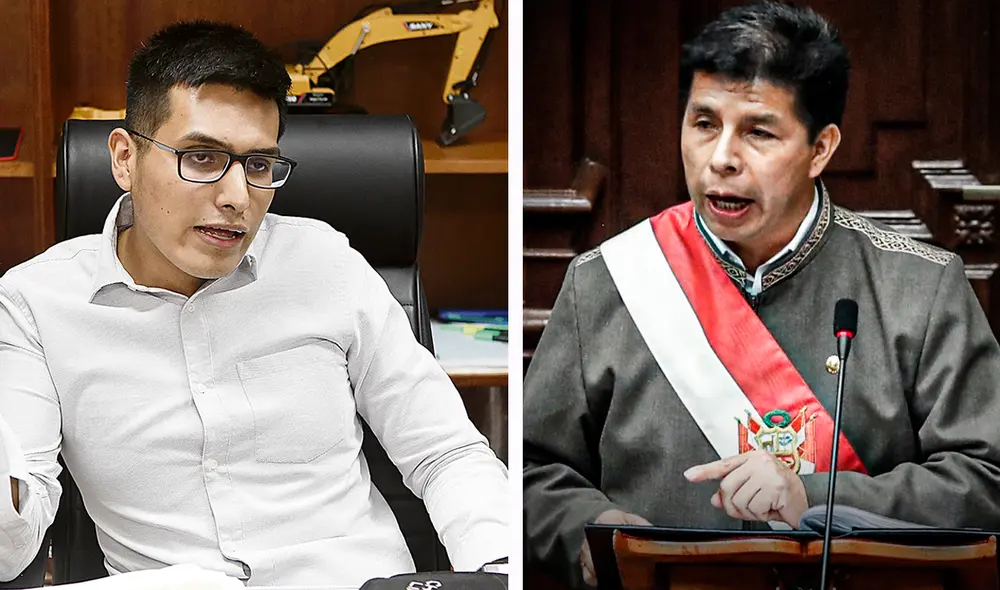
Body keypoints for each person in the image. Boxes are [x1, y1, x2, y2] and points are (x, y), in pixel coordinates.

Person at [0, 21, 508, 588]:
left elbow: (446, 451)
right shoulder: (35, 305)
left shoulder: (325, 264)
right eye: (200, 158)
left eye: (259, 165)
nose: (237, 198)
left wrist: (496, 569)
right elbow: (13, 542)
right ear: (124, 159)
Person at [523, 2, 1000, 587]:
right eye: (703, 124)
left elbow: (986, 479)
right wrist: (588, 530)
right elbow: (528, 468)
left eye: (758, 132)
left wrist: (816, 498)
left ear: (821, 148)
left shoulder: (919, 288)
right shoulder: (607, 281)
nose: (721, 159)